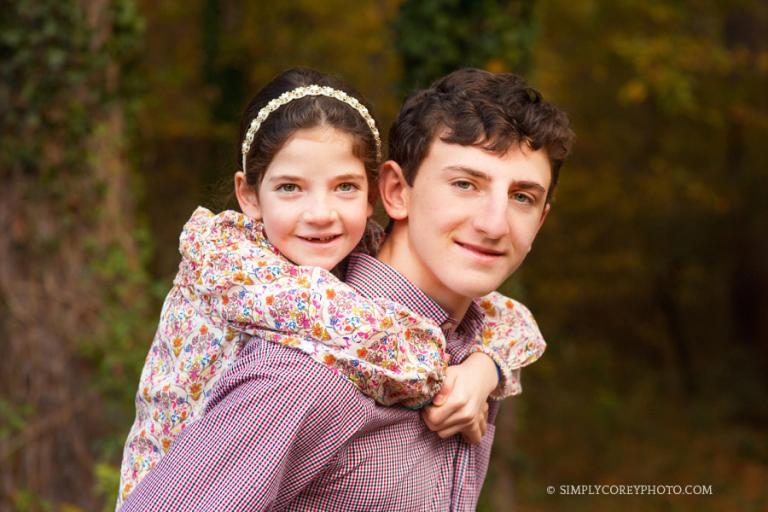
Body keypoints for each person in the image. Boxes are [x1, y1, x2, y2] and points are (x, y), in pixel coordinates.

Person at [117, 67, 551, 508]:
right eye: (464, 184)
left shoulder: (465, 341)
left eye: (522, 197)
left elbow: (511, 323)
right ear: (395, 192)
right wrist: (441, 375)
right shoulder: (302, 369)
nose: (494, 224)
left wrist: (486, 368)